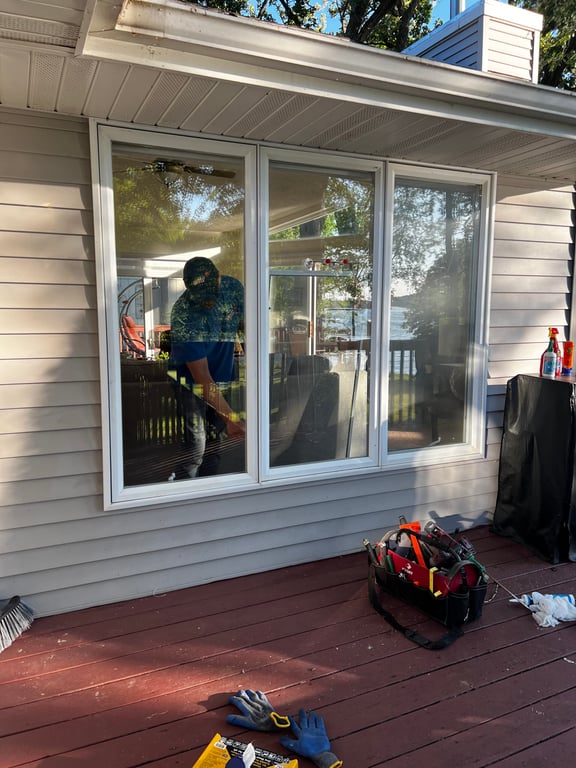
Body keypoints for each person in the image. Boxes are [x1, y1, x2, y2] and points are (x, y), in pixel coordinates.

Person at [168, 257, 245, 478]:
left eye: (209, 294)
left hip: (221, 374)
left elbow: (247, 321)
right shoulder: (184, 314)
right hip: (189, 382)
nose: (206, 302)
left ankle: (209, 487)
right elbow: (200, 376)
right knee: (196, 443)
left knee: (214, 440)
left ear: (218, 276)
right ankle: (184, 489)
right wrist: (232, 418)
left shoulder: (233, 288)